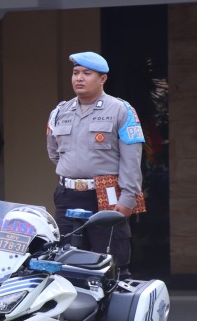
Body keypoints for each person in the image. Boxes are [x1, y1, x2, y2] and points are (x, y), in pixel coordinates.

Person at [46, 51, 145, 277]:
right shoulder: (60, 112)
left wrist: (127, 198)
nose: (79, 78)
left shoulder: (121, 110)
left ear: (103, 79)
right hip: (68, 196)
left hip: (106, 195)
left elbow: (131, 160)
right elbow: (53, 152)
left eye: (87, 73)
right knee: (66, 264)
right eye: (75, 73)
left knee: (111, 263)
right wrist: (75, 171)